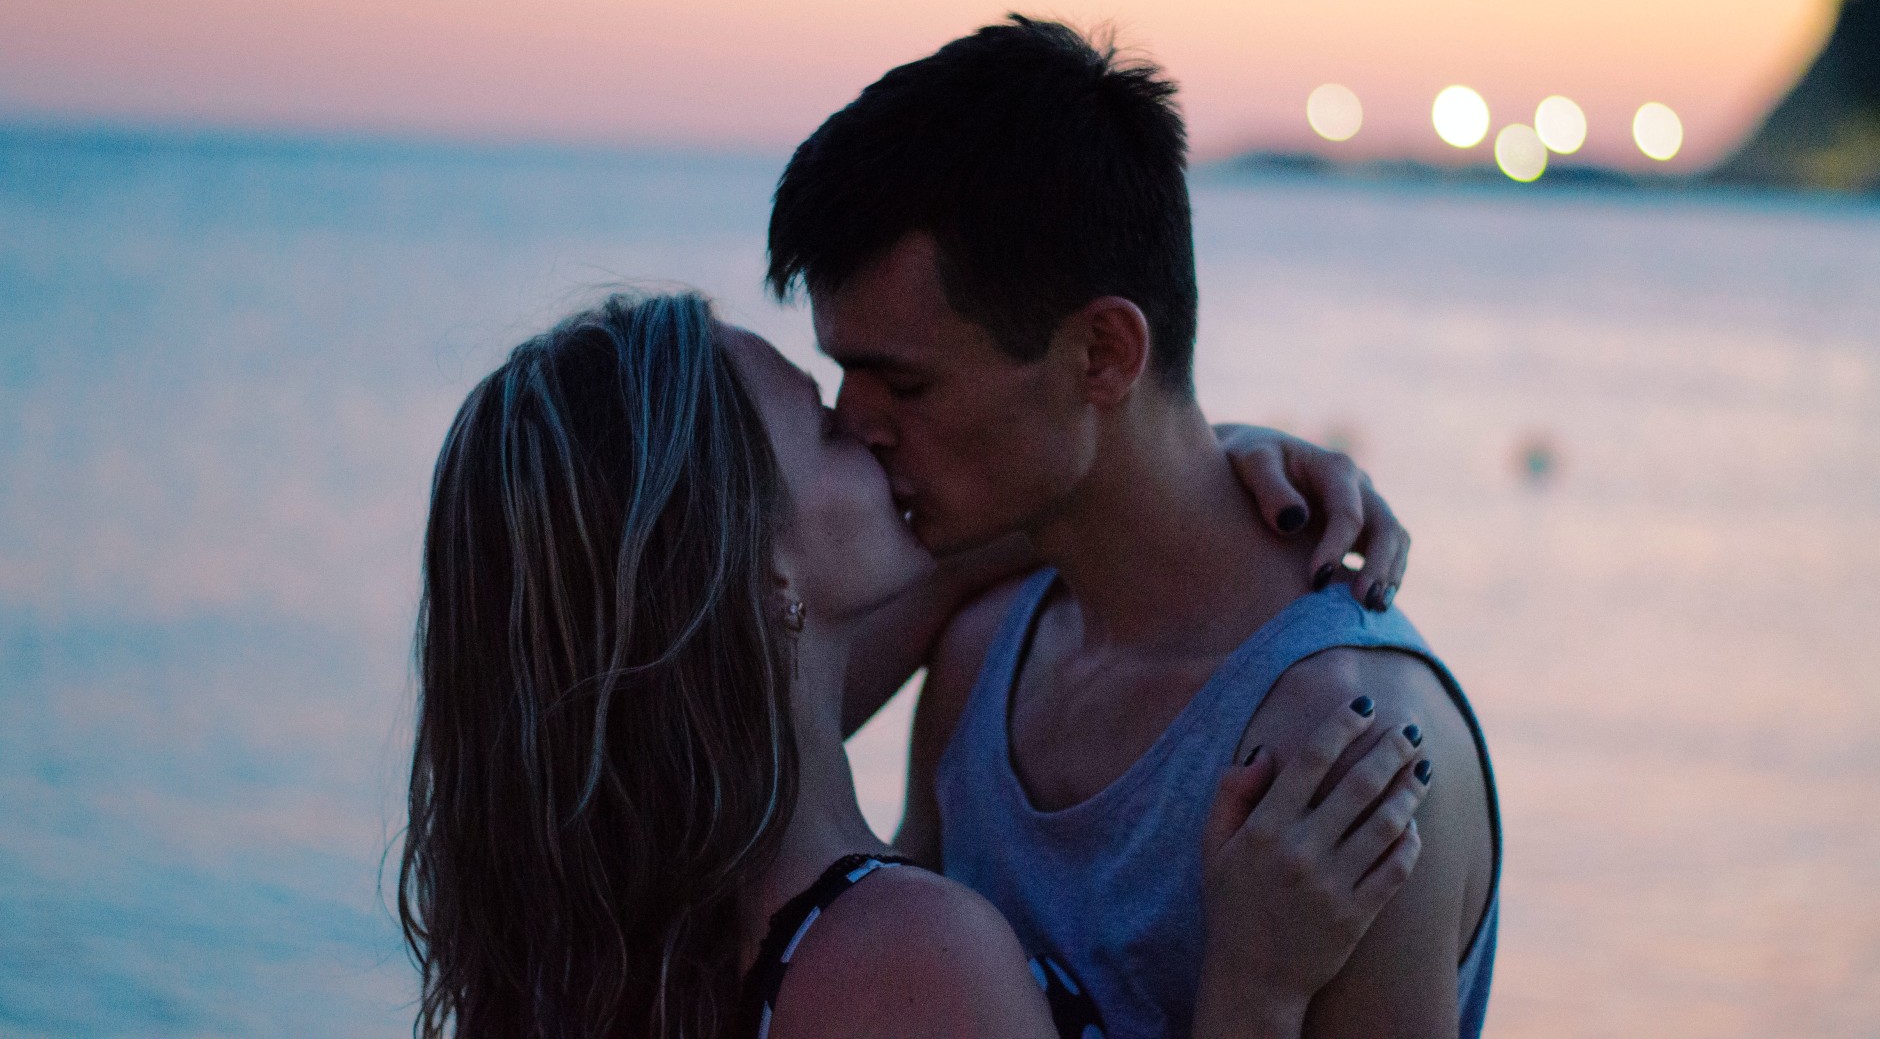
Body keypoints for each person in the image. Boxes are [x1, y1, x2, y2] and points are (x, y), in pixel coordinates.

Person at [398, 292, 1438, 1038]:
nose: (869, 428)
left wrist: (1180, 473)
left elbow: (970, 552)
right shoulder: (902, 962)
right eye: (823, 426)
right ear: (762, 576)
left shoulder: (647, 920)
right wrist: (1254, 985)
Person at [766, 16, 1502, 1038]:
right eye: (845, 372)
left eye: (905, 381)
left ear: (1104, 352)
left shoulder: (1343, 741)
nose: (853, 423)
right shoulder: (983, 657)